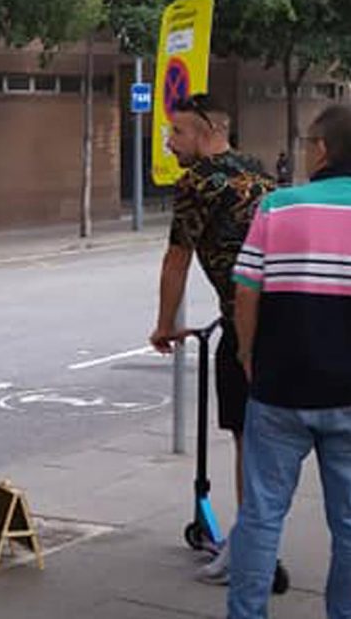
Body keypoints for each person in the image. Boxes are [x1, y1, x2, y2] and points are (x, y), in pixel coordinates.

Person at [228, 105, 351, 619]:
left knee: (260, 516)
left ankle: (247, 613)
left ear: (321, 149)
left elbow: (247, 292)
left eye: (306, 143)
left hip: (279, 388)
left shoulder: (278, 207)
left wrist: (247, 354)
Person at [148, 94, 275, 583]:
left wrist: (164, 324)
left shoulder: (195, 183)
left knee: (248, 439)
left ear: (204, 132)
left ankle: (250, 551)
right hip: (283, 318)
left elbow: (176, 258)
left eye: (176, 133)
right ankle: (260, 543)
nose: (169, 142)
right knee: (274, 439)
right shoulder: (261, 171)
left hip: (243, 324)